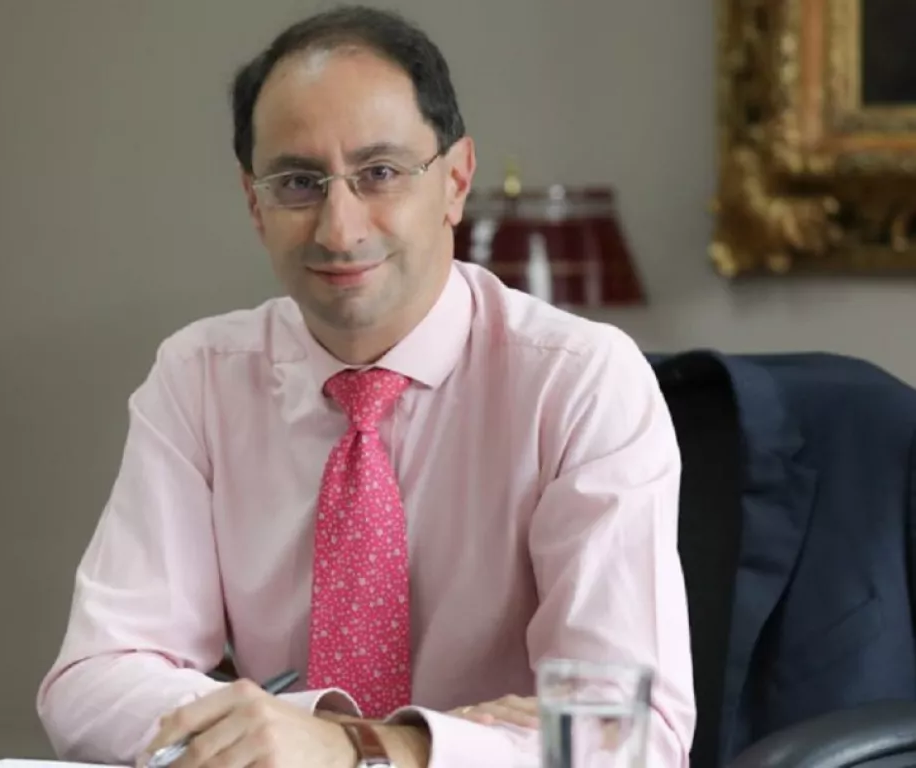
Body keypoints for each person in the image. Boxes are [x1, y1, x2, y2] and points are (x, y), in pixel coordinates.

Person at [36, 5, 695, 767]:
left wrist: (367, 748)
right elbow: (90, 683)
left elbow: (632, 738)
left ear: (455, 181)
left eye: (379, 173)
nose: (339, 228)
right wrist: (278, 732)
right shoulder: (200, 379)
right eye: (298, 182)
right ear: (255, 204)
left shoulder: (579, 382)